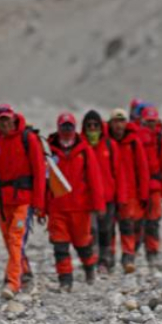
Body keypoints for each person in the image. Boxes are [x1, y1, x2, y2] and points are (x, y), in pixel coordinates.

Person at [0, 104, 46, 298]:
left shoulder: (29, 139)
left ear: (13, 118)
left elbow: (39, 173)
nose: (5, 123)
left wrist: (39, 204)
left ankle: (12, 282)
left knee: (16, 239)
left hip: (24, 199)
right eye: (1, 120)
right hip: (3, 199)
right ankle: (26, 275)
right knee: (9, 241)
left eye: (7, 119)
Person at [45, 113, 106, 291]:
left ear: (74, 128)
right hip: (57, 207)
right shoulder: (48, 151)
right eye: (64, 127)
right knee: (60, 246)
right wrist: (41, 207)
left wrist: (99, 205)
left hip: (80, 208)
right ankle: (65, 280)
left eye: (69, 126)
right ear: (58, 128)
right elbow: (43, 182)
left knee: (83, 245)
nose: (67, 130)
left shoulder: (84, 150)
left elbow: (94, 179)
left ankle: (89, 268)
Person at [107, 108, 150, 273]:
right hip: (111, 192)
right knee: (108, 227)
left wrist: (144, 193)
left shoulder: (133, 143)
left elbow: (142, 169)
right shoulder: (106, 142)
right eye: (116, 121)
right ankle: (108, 258)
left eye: (122, 121)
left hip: (130, 193)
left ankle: (128, 257)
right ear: (110, 124)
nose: (119, 125)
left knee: (128, 226)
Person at [137, 105, 162, 266]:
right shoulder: (135, 140)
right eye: (147, 122)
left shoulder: (160, 140)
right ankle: (132, 254)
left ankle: (152, 253)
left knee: (153, 222)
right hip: (138, 188)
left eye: (153, 121)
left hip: (155, 188)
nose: (150, 125)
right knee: (135, 222)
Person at [83, 110, 118, 273]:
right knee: (91, 230)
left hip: (108, 196)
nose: (92, 129)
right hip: (87, 198)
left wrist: (121, 196)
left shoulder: (110, 145)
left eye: (95, 125)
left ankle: (106, 259)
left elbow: (119, 173)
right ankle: (94, 259)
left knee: (106, 229)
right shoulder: (80, 146)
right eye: (89, 125)